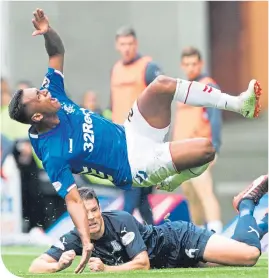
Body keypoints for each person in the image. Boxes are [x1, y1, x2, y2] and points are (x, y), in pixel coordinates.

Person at [8, 8, 262, 273]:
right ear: (37, 114)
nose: (45, 90)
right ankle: (170, 180)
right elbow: (73, 199)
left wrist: (48, 32)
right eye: (39, 94)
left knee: (162, 84)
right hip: (133, 165)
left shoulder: (55, 94)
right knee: (205, 149)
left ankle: (239, 104)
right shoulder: (52, 152)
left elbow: (56, 52)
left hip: (130, 132)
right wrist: (85, 241)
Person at [28, 175, 268, 273]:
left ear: (100, 210)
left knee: (248, 255)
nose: (90, 217)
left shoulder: (120, 220)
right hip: (178, 263)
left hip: (182, 241)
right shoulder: (74, 237)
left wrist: (106, 269)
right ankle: (264, 223)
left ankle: (246, 203)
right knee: (238, 247)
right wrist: (56, 266)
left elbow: (142, 264)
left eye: (93, 211)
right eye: (84, 213)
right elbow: (35, 266)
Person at [111, 26, 162, 224]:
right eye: (123, 44)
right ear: (117, 46)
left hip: (142, 139)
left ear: (136, 44)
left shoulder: (148, 67)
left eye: (130, 43)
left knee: (131, 190)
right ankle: (156, 237)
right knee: (140, 196)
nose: (127, 48)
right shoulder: (115, 69)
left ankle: (117, 232)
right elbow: (114, 105)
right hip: (120, 139)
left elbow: (162, 98)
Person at [173, 46, 223, 233]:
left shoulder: (208, 85)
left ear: (200, 63)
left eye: (194, 63)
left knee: (205, 192)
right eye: (186, 64)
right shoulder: (183, 89)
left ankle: (216, 234)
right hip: (181, 152)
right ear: (182, 65)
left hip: (199, 150)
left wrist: (215, 147)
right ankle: (199, 235)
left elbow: (215, 118)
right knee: (191, 196)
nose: (190, 67)